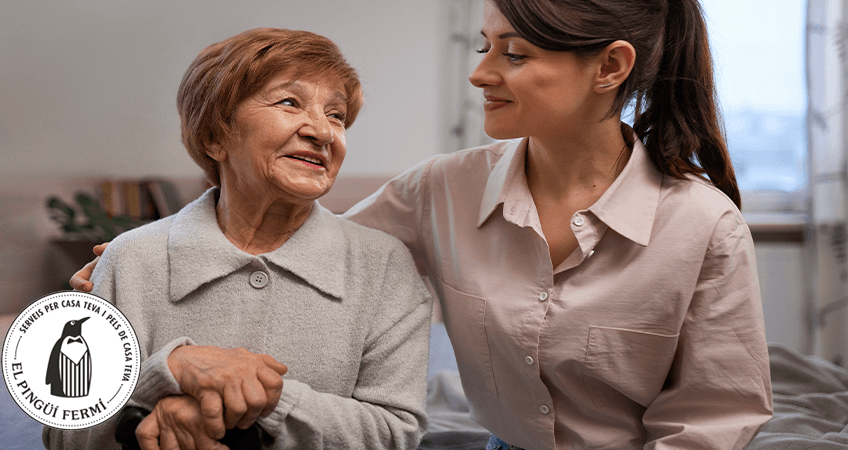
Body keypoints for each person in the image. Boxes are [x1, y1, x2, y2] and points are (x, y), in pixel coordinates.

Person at [72, 0, 773, 448]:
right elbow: (303, 249)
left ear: (610, 67)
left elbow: (714, 418)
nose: (480, 74)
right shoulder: (440, 189)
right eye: (484, 46)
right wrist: (134, 270)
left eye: (514, 54)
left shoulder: (704, 226)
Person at [48, 27, 433, 450]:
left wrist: (262, 399)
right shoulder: (132, 258)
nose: (324, 133)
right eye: (289, 102)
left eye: (337, 115)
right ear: (215, 138)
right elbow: (64, 434)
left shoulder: (384, 265)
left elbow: (394, 433)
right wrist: (170, 370)